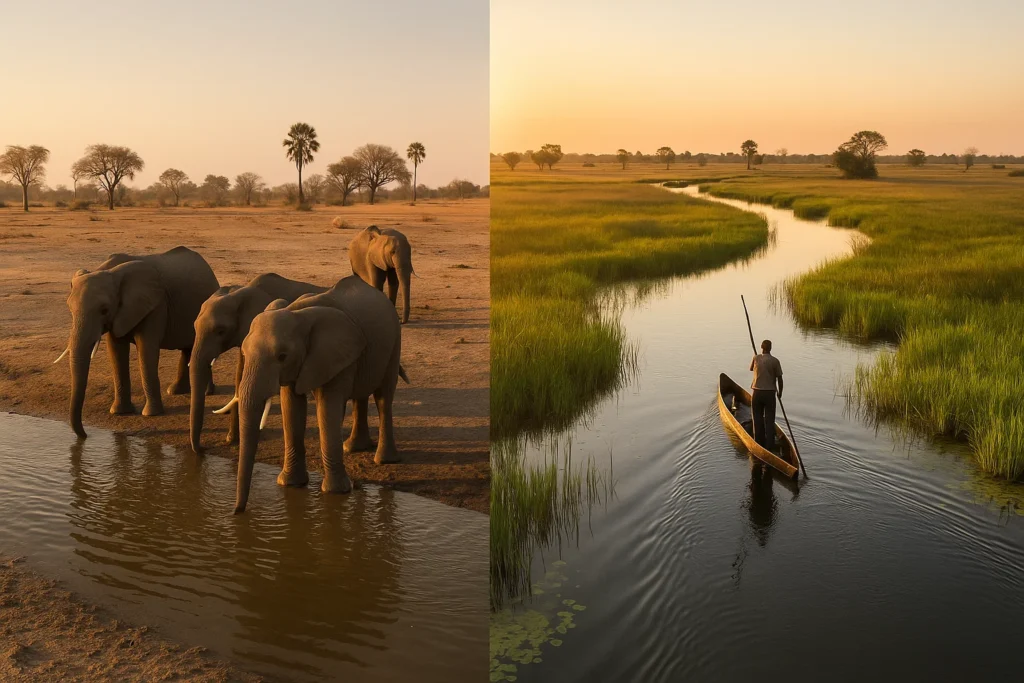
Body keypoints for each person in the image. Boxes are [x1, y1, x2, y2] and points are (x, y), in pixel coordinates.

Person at [749, 339, 783, 451]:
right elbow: (780, 379)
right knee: (769, 420)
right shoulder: (775, 361)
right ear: (770, 348)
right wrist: (780, 393)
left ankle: (758, 443)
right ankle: (769, 446)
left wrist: (757, 358)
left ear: (761, 347)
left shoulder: (756, 358)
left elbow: (750, 369)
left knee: (757, 419)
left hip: (757, 393)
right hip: (770, 394)